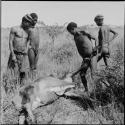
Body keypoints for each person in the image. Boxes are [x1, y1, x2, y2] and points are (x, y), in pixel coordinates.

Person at [67, 22, 98, 94]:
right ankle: (86, 90)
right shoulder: (75, 37)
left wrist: (95, 48)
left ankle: (96, 92)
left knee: (93, 74)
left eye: (70, 31)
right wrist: (84, 57)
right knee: (82, 74)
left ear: (73, 29)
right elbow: (80, 48)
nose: (70, 33)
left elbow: (95, 38)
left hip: (92, 56)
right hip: (85, 58)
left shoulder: (84, 32)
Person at [7, 14, 37, 84]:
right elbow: (10, 42)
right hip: (15, 54)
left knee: (23, 73)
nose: (29, 25)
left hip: (24, 55)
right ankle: (12, 88)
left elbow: (30, 41)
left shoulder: (28, 31)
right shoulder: (14, 29)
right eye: (28, 23)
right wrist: (13, 55)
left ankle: (20, 88)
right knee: (13, 73)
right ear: (24, 21)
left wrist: (27, 50)